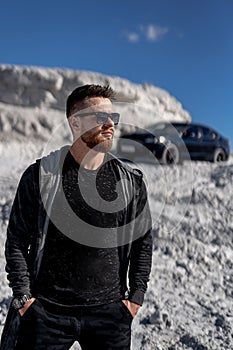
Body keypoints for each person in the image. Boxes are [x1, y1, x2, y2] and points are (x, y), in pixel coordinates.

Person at [0, 84, 152, 350]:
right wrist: (25, 299)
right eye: (99, 117)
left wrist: (135, 298)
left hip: (109, 315)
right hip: (47, 313)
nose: (110, 125)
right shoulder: (41, 175)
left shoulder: (130, 182)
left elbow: (143, 243)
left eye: (113, 118)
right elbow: (16, 241)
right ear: (75, 123)